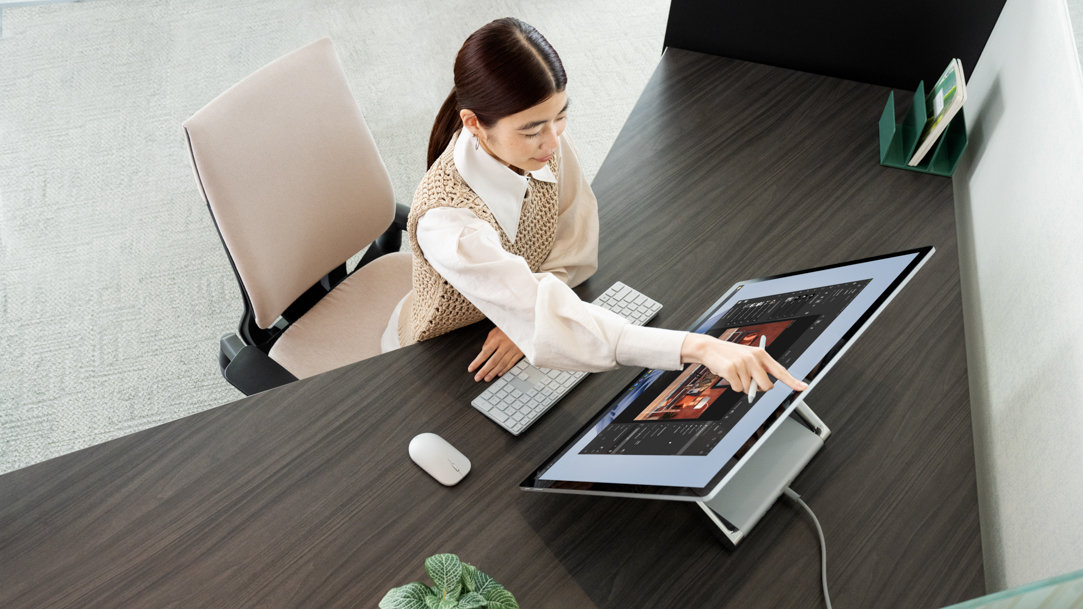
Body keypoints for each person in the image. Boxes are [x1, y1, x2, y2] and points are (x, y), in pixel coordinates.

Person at [381, 17, 807, 397]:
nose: (553, 141)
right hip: (441, 354)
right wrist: (699, 346)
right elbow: (546, 312)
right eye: (532, 130)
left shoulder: (545, 146)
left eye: (560, 117)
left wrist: (527, 317)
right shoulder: (447, 222)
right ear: (474, 123)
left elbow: (575, 244)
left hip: (515, 317)